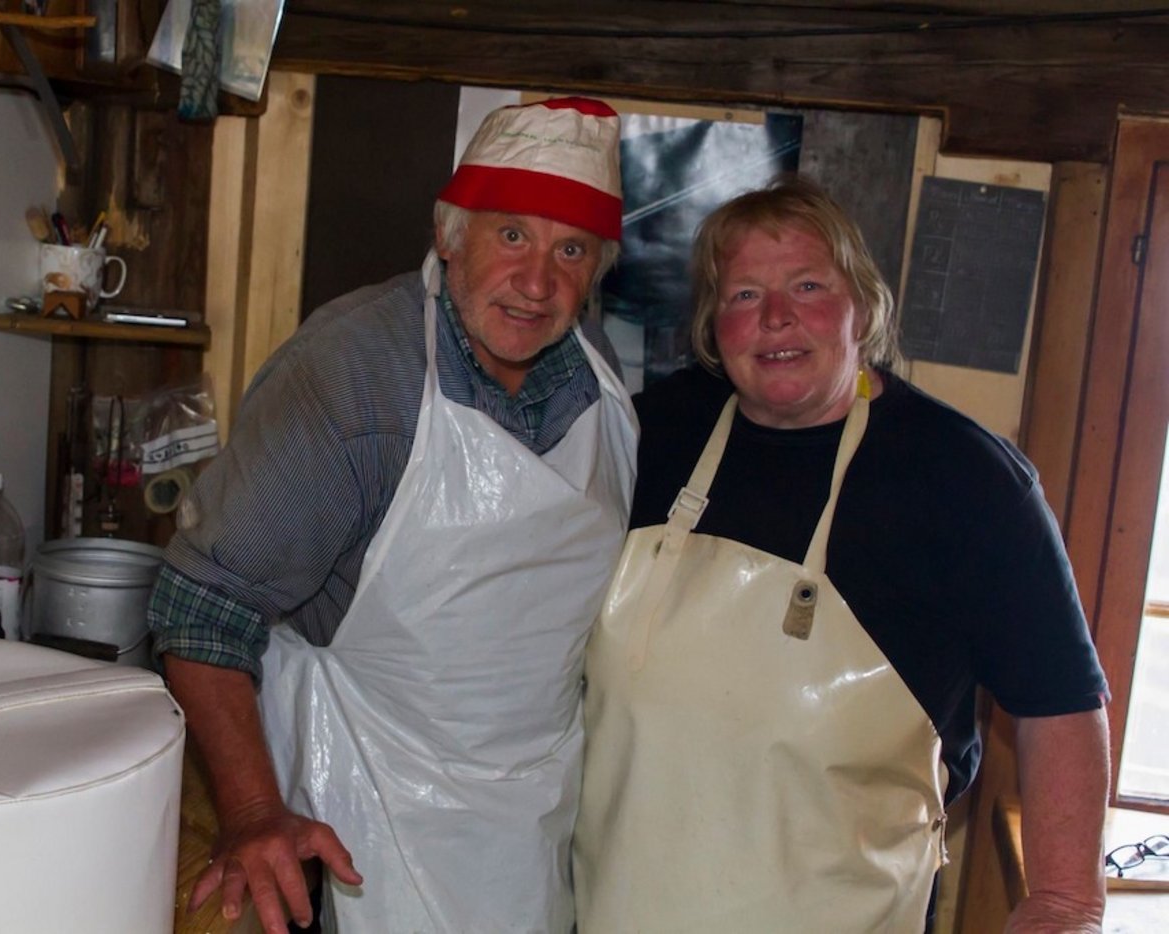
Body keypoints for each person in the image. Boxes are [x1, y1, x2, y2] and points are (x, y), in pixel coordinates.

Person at [148, 97, 636, 934]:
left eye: (571, 250)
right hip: (363, 818)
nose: (538, 282)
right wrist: (254, 812)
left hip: (532, 827)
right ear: (449, 235)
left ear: (598, 270)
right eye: (511, 236)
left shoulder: (600, 378)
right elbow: (201, 608)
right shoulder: (353, 376)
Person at [572, 176, 1109, 932]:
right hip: (622, 906)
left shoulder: (967, 480)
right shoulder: (650, 434)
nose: (777, 317)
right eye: (745, 295)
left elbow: (1060, 701)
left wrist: (1065, 899)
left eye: (808, 286)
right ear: (714, 327)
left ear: (864, 304)